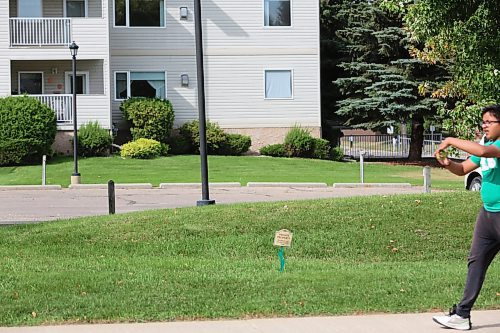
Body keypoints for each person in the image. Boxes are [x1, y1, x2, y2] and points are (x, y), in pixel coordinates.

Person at [432, 104, 500, 330]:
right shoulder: (487, 145)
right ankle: (461, 315)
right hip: (488, 215)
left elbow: (480, 153)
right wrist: (449, 164)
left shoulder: (496, 146)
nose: (484, 126)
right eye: (483, 122)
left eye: (489, 122)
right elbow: (463, 169)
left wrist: (450, 139)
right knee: (476, 262)